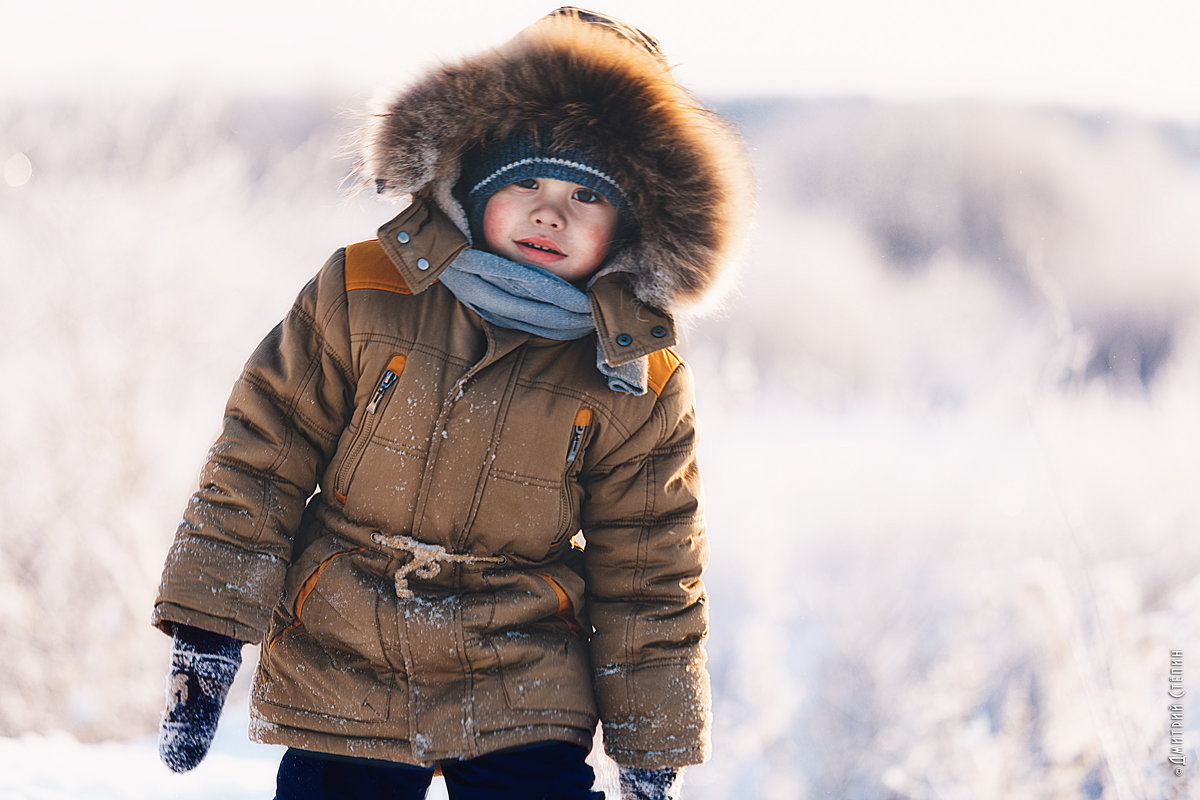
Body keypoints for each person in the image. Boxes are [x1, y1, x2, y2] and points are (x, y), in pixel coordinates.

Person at [151, 7, 752, 799]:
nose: (550, 212)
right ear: (475, 179)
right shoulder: (366, 290)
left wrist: (651, 746)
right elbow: (260, 459)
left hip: (524, 673)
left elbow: (649, 565)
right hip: (348, 651)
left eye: (585, 195)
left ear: (633, 223)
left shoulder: (637, 374)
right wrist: (208, 634)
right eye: (527, 181)